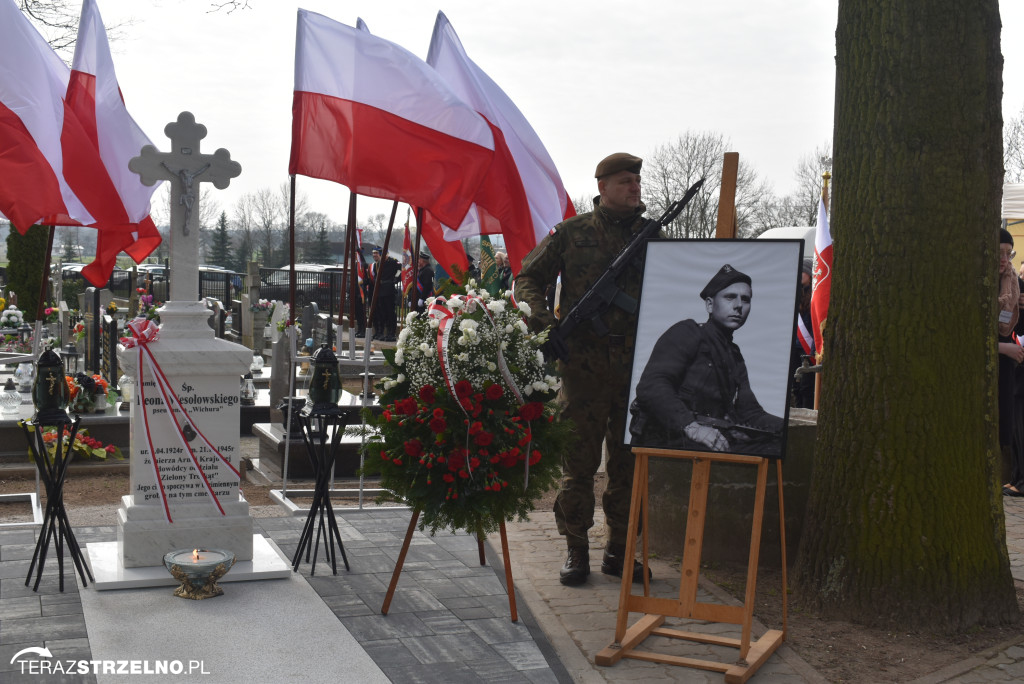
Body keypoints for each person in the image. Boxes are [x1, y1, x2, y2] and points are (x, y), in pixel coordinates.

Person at [515, 152, 652, 587]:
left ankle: (620, 550)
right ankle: (576, 550)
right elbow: (527, 279)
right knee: (578, 466)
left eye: (637, 182)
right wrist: (543, 323)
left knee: (630, 467)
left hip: (637, 369)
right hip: (582, 368)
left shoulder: (654, 237)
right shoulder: (570, 234)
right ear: (604, 186)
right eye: (626, 181)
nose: (635, 188)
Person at [628, 264, 784, 457]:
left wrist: (788, 430)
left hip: (704, 440)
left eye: (746, 299)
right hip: (668, 437)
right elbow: (651, 386)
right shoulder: (687, 332)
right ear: (710, 304)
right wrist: (692, 427)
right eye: (730, 297)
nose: (738, 305)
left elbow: (751, 413)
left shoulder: (734, 355)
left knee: (779, 446)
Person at [997, 230, 1024, 495]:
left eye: (1009, 252)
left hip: (1007, 365)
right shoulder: (988, 284)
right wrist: (1002, 347)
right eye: (999, 252)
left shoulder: (1012, 284)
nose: (1004, 259)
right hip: (997, 360)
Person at [789, 257, 815, 408]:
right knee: (796, 386)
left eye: (803, 271)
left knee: (806, 387)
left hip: (807, 347)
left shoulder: (814, 296)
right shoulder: (794, 294)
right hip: (794, 346)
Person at [368, 247, 399, 341]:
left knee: (390, 312)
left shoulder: (393, 261)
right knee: (383, 313)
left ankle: (392, 333)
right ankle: (386, 332)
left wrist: (395, 280)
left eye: (382, 255)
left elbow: (400, 270)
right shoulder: (378, 264)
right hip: (381, 291)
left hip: (389, 290)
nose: (382, 257)